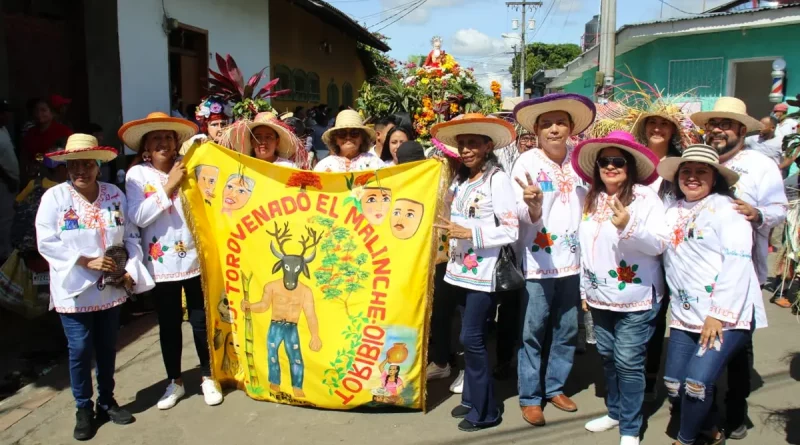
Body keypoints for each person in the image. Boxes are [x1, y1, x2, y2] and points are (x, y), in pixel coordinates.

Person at [35, 134, 154, 440]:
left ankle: (107, 401)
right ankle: (82, 407)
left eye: (88, 164)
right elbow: (46, 241)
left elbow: (129, 235)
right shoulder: (56, 198)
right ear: (66, 167)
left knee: (106, 348)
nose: (81, 170)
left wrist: (129, 269)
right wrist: (84, 260)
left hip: (110, 288)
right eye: (75, 164)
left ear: (98, 166)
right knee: (79, 348)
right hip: (74, 289)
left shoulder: (114, 194)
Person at [690, 97, 787, 439]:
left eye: (725, 125)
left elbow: (779, 208)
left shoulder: (760, 165)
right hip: (697, 276)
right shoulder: (699, 162)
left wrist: (757, 214)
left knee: (736, 348)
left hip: (743, 274)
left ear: (742, 130)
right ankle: (706, 414)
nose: (717, 130)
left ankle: (735, 414)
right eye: (713, 124)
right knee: (700, 344)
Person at [657, 144, 767, 445]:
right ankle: (710, 429)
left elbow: (737, 263)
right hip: (684, 314)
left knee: (696, 383)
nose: (692, 177)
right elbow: (653, 241)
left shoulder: (728, 209)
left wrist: (717, 314)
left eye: (701, 171)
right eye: (686, 171)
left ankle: (685, 439)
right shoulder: (673, 210)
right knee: (675, 384)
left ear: (715, 177)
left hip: (723, 316)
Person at [119, 112, 225, 409]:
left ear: (176, 141)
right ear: (146, 148)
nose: (163, 143)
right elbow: (137, 216)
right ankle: (174, 382)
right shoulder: (137, 176)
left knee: (201, 321)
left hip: (194, 256)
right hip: (161, 263)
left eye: (168, 137)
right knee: (168, 324)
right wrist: (169, 186)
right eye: (156, 139)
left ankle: (208, 376)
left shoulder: (191, 166)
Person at [572, 131, 666, 445]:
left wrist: (628, 225)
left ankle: (630, 427)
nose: (610, 167)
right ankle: (615, 412)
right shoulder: (591, 197)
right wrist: (585, 291)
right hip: (600, 297)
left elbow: (658, 244)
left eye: (618, 162)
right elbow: (585, 248)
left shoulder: (645, 197)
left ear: (630, 167)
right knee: (609, 357)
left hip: (636, 296)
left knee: (628, 361)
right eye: (604, 162)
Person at [510, 93, 596, 426]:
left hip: (574, 262)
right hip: (537, 263)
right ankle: (530, 396)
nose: (554, 129)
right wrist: (532, 204)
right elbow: (518, 211)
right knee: (533, 330)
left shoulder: (581, 162)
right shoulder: (527, 162)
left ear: (571, 127)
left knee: (566, 329)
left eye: (560, 122)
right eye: (546, 124)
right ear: (537, 130)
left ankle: (555, 386)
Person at [431, 113, 518, 432]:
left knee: (473, 338)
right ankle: (471, 397)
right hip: (458, 272)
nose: (466, 149)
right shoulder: (460, 181)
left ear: (487, 145)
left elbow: (511, 229)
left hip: (484, 273)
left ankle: (487, 409)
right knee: (470, 340)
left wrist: (471, 234)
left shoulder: (498, 179)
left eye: (472, 143)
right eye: (462, 144)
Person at [630, 99, 687, 399]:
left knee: (657, 316)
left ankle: (651, 376)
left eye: (664, 123)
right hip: (635, 249)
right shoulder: (632, 163)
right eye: (652, 122)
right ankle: (631, 376)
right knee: (635, 316)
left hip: (670, 253)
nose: (657, 127)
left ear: (672, 130)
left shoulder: (681, 165)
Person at [314, 110, 383, 173]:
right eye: (342, 133)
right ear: (335, 139)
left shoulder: (375, 163)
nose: (348, 137)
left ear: (362, 138)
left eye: (354, 133)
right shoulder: (323, 166)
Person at [231, 112, 297, 167]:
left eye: (268, 137)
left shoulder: (289, 167)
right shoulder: (243, 167)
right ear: (252, 141)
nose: (263, 142)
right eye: (257, 137)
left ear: (277, 142)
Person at [22, 98, 73, 166]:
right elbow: (26, 155)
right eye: (36, 110)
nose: (39, 113)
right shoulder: (31, 132)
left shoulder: (64, 131)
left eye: (43, 110)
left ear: (52, 113)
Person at [0, 98, 19, 263]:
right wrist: (8, 179)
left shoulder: (4, 130)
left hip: (11, 182)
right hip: (3, 184)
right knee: (5, 220)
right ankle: (5, 258)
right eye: (5, 112)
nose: (8, 116)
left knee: (10, 218)